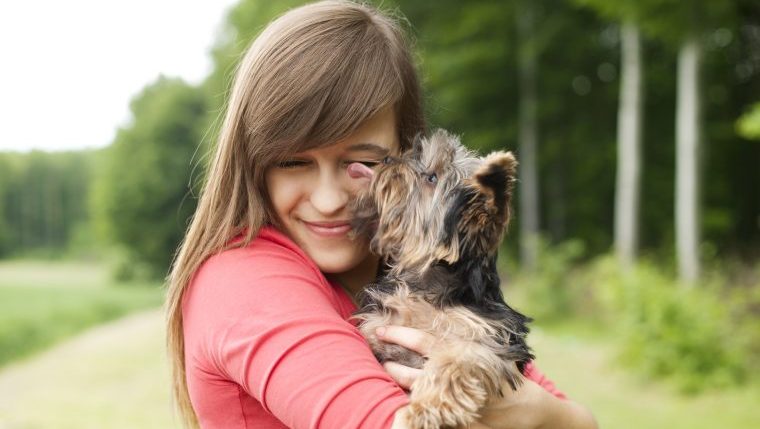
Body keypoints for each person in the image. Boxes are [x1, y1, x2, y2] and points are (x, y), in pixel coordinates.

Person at [165, 1, 598, 428]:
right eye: (293, 163)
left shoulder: (415, 281)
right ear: (252, 164)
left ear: (405, 156)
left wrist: (544, 413)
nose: (330, 199)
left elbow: (579, 421)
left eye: (362, 165)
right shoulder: (243, 282)